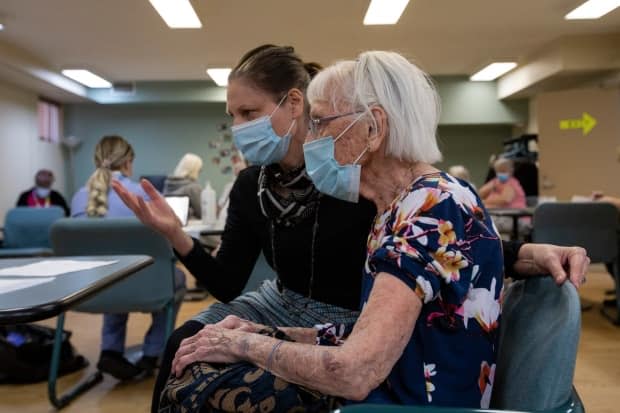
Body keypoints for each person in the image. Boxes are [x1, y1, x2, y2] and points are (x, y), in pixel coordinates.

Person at [112, 45, 590, 411]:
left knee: (199, 387)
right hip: (389, 369)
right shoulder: (399, 201)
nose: (311, 138)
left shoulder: (424, 206)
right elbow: (434, 266)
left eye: (319, 124)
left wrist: (243, 341)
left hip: (406, 399)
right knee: (198, 359)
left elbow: (357, 367)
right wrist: (260, 331)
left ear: (373, 129)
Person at [71, 135, 186, 380]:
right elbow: (167, 243)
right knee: (174, 278)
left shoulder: (79, 197)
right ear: (127, 162)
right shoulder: (141, 194)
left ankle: (110, 350)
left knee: (113, 271)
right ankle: (153, 352)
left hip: (88, 290)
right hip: (143, 285)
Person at [163, 153, 203, 220]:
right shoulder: (193, 188)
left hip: (170, 225)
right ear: (194, 169)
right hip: (191, 227)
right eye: (199, 169)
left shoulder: (168, 184)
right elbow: (202, 213)